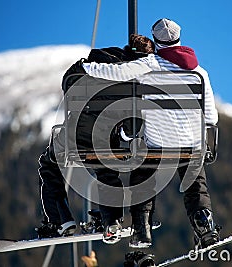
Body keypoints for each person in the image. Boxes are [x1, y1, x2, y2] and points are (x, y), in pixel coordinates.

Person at [82, 18, 220, 249]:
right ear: (178, 38)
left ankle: (142, 232)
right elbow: (211, 118)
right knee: (196, 182)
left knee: (142, 176)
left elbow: (115, 73)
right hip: (191, 144)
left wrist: (86, 66)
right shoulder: (199, 73)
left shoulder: (149, 64)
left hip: (158, 144)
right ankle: (204, 228)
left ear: (155, 40)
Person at [35, 34, 156, 239]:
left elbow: (68, 86)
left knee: (50, 165)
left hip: (76, 131)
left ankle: (60, 220)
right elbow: (133, 123)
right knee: (106, 170)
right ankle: (112, 220)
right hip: (106, 138)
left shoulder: (97, 61)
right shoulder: (136, 80)